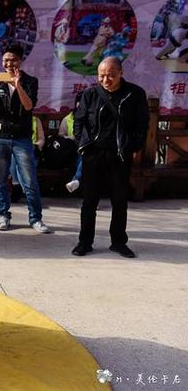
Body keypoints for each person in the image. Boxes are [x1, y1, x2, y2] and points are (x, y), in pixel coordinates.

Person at [72, 57, 149, 258]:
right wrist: (83, 145)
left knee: (119, 200)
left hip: (120, 154)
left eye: (111, 75)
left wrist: (133, 147)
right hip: (93, 153)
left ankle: (118, 242)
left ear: (121, 73)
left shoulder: (135, 94)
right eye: (102, 76)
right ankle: (85, 242)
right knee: (89, 201)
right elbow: (79, 121)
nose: (106, 80)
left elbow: (142, 125)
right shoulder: (90, 94)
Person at [0, 44, 51, 233]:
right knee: (1, 180)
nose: (9, 63)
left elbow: (28, 106)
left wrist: (17, 85)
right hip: (0, 136)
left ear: (20, 61)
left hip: (22, 138)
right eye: (5, 60)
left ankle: (36, 219)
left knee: (29, 181)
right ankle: (3, 215)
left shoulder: (30, 81)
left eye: (12, 59)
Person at [59, 92, 83, 193]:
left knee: (85, 158)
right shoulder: (68, 119)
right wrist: (71, 137)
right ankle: (77, 181)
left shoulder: (92, 117)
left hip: (84, 149)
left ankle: (76, 181)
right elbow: (60, 136)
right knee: (84, 159)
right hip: (70, 150)